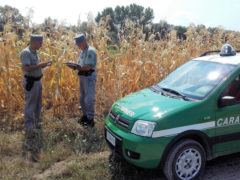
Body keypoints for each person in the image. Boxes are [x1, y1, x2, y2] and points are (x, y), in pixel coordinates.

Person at [20, 34, 51, 161]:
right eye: (40, 43)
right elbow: (26, 68)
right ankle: (29, 128)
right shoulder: (26, 52)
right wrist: (40, 66)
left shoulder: (34, 52)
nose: (41, 45)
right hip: (31, 82)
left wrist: (43, 65)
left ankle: (35, 124)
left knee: (38, 104)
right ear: (34, 42)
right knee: (30, 104)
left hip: (37, 81)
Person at [67, 34, 97, 127]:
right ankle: (85, 116)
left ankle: (90, 119)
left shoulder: (90, 51)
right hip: (83, 76)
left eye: (79, 44)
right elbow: (81, 64)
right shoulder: (82, 51)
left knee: (89, 98)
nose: (78, 46)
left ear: (83, 41)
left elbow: (87, 67)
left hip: (88, 76)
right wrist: (74, 65)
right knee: (83, 98)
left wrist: (74, 67)